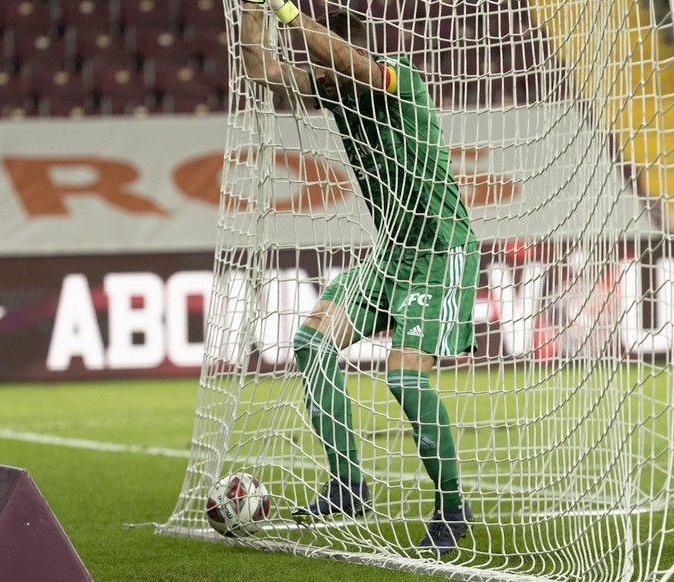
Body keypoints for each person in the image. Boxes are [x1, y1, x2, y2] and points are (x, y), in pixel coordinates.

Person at [239, 0, 478, 558]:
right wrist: (255, 12)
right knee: (311, 344)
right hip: (391, 252)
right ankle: (347, 485)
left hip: (441, 252)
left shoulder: (397, 81)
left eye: (324, 67)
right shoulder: (338, 88)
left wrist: (291, 15)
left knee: (404, 379)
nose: (318, 79)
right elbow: (262, 69)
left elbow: (347, 61)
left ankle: (451, 506)